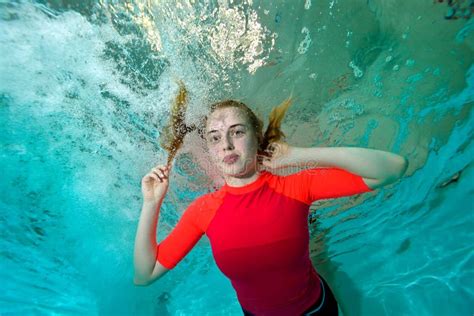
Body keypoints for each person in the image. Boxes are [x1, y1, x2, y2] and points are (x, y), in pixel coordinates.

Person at [133, 99, 408, 315]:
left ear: (256, 136)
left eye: (237, 132)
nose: (226, 145)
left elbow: (392, 168)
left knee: (319, 259)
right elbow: (145, 275)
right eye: (215, 138)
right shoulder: (202, 211)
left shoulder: (295, 186)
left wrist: (299, 156)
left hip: (316, 309)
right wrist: (151, 203)